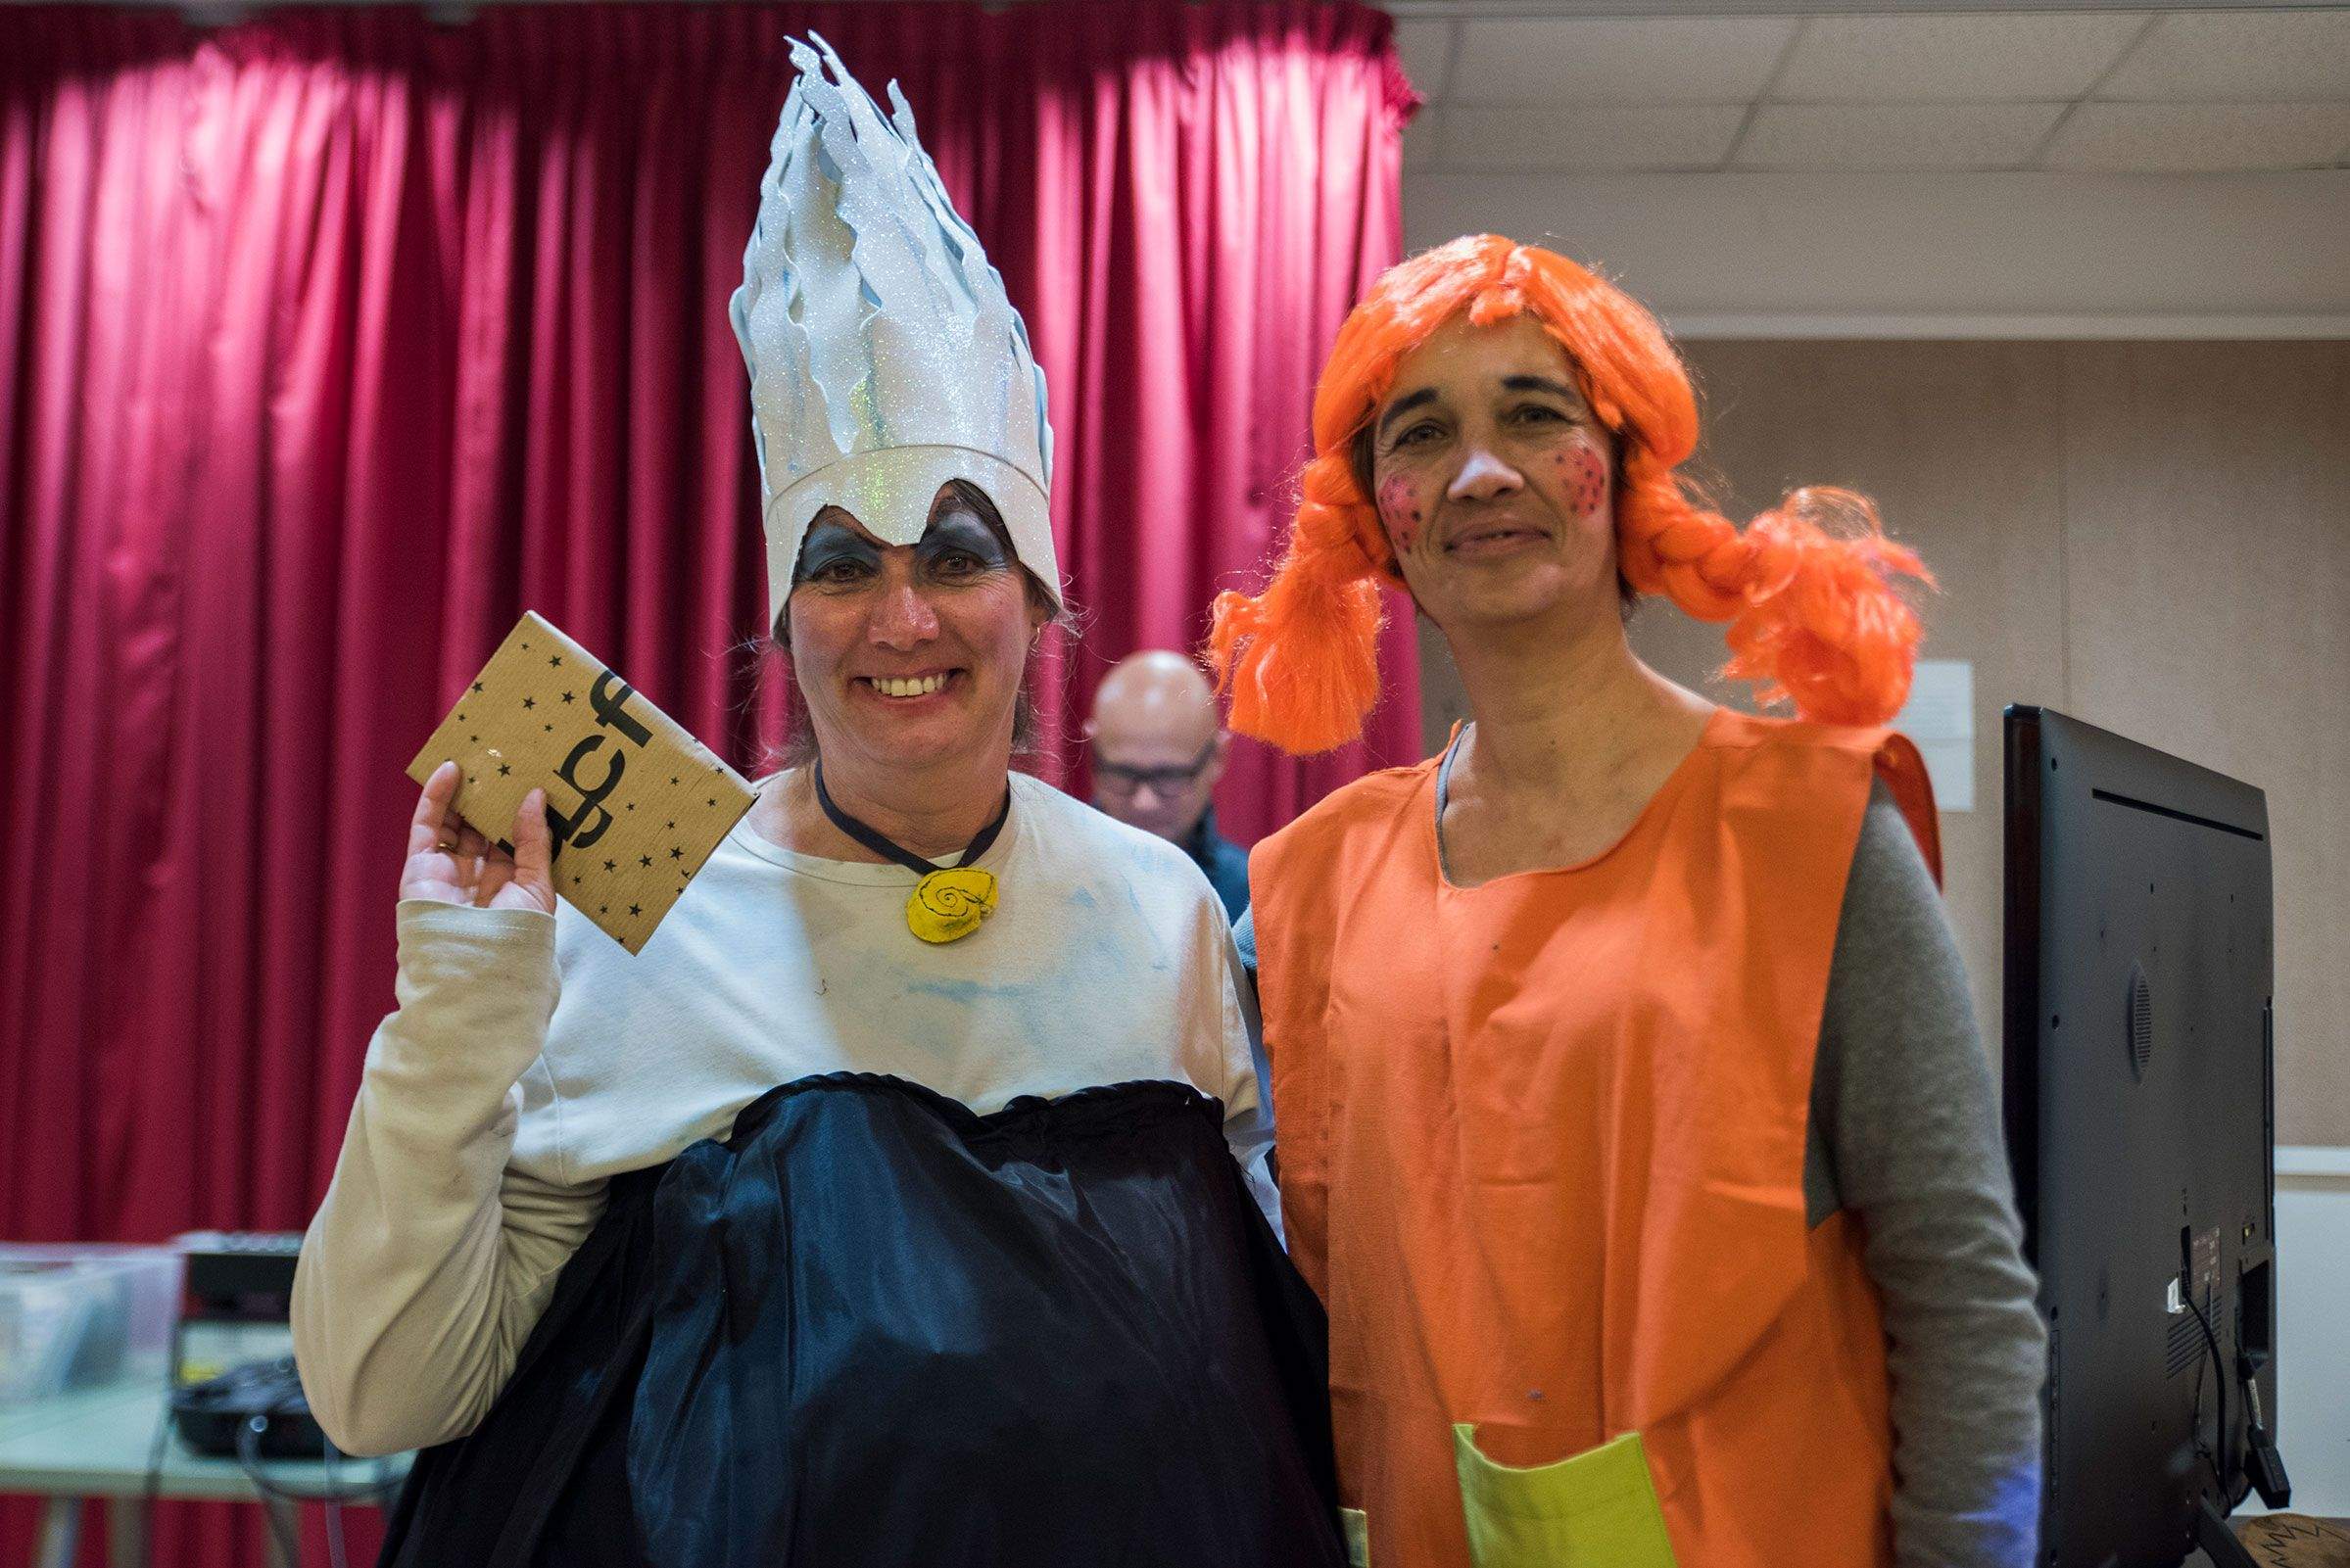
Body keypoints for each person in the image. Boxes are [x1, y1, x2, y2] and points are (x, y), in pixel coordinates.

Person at [291, 39, 1341, 1568]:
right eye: (841, 566)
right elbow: (379, 1393)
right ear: (781, 619)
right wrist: (456, 1009)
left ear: (1037, 600)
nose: (898, 619)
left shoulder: (1162, 909)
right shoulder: (636, 912)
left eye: (955, 556)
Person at [1209, 235, 2045, 1568]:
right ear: (1377, 519)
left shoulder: (1809, 831)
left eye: (1532, 415)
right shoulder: (1304, 890)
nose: (1481, 470)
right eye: (1420, 435)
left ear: (1619, 473)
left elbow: (1960, 1293)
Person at [1086, 649, 1247, 920]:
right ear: (1092, 750)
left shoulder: (1251, 899)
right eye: (1123, 773)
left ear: (1217, 758)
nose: (1144, 801)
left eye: (1169, 777)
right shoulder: (1044, 879)